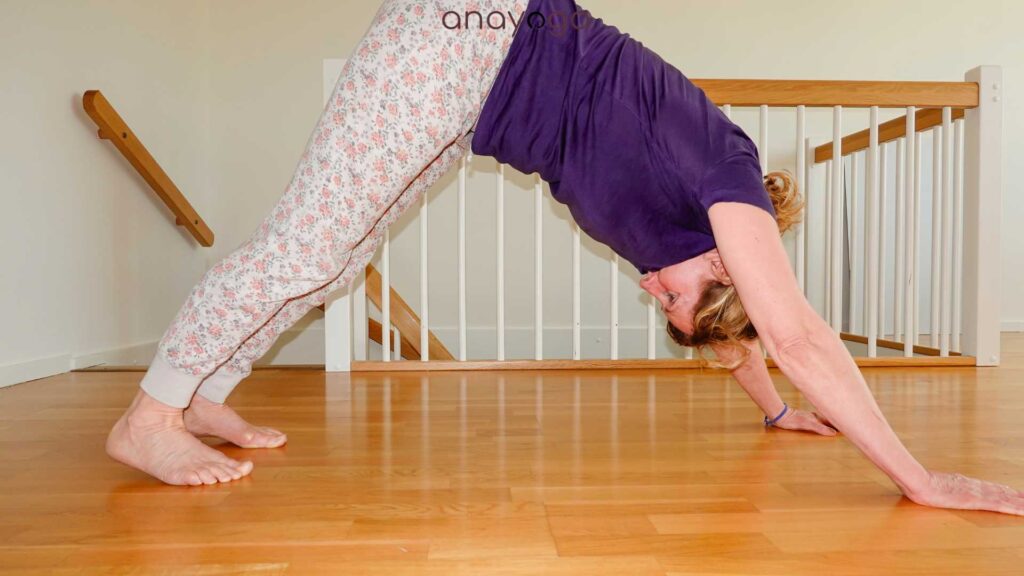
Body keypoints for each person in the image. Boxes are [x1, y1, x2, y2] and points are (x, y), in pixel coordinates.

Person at [106, 0, 1024, 516]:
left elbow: (744, 340)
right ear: (725, 271)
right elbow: (791, 329)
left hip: (474, 86)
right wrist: (917, 477)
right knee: (304, 248)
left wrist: (779, 409)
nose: (648, 290)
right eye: (671, 301)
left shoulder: (691, 249)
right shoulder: (726, 179)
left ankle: (205, 390)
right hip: (473, 35)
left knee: (336, 261)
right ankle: (150, 416)